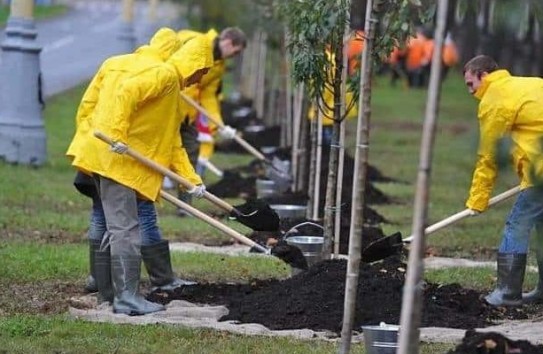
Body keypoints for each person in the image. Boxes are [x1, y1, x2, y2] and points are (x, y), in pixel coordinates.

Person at [66, 31, 213, 315]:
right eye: (202, 71)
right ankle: (127, 298)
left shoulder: (167, 84)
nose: (201, 79)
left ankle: (109, 294)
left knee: (115, 226)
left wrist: (191, 181)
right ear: (193, 64)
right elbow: (127, 93)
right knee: (125, 230)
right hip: (117, 161)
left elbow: (171, 141)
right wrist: (117, 135)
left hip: (104, 155)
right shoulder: (165, 75)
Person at [462, 55, 543, 306]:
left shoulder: (494, 98)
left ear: (483, 75)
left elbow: (488, 154)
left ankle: (507, 293)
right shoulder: (527, 84)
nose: (470, 91)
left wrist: (477, 200)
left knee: (516, 225)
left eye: (470, 84)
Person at [174, 27, 247, 216]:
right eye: (236, 51)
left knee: (191, 152)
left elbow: (208, 96)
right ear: (229, 42)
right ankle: (143, 199)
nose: (234, 56)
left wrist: (219, 125)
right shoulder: (195, 42)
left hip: (188, 115)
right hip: (170, 108)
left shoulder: (219, 65)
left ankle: (185, 206)